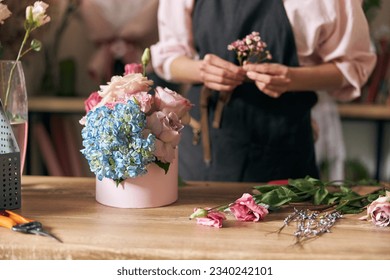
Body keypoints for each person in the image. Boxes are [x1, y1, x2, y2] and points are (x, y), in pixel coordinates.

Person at [151, 0, 376, 182]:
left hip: (285, 147)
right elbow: (169, 58)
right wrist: (202, 71)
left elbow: (353, 66)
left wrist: (292, 78)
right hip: (205, 149)